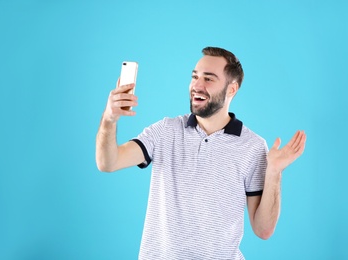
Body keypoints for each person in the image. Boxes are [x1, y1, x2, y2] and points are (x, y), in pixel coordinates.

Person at [96, 47, 306, 259]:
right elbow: (108, 162)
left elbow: (263, 230)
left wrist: (274, 173)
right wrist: (109, 119)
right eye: (195, 77)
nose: (197, 85)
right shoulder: (165, 130)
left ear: (232, 89)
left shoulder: (252, 147)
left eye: (209, 79)